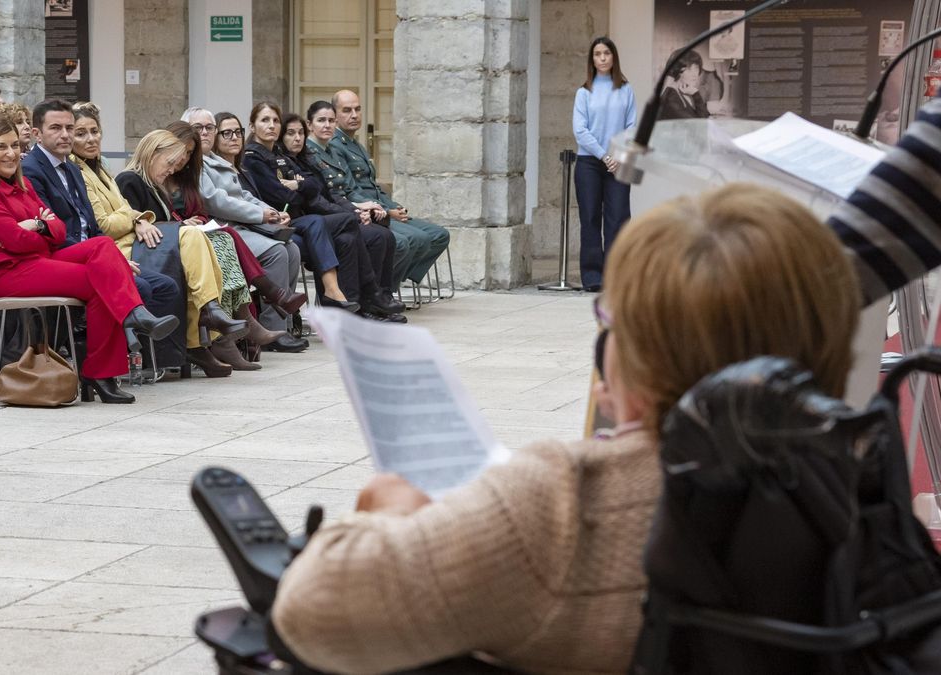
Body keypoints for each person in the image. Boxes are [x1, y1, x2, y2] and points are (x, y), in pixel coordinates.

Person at [273, 182, 862, 673]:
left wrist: (388, 505)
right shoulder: (859, 495)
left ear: (633, 352)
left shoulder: (565, 502)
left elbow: (313, 611)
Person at [0, 115, 177, 403]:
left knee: (101, 245)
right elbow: (15, 240)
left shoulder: (23, 185)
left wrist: (36, 227)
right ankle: (102, 370)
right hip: (7, 273)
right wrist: (40, 228)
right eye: (1, 147)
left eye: (15, 145)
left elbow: (59, 229)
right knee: (100, 282)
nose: (11, 153)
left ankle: (131, 320)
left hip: (37, 260)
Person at [116, 129, 258, 377]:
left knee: (214, 241)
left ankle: (205, 327)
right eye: (169, 163)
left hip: (159, 248)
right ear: (151, 154)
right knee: (198, 238)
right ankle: (211, 314)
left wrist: (179, 225)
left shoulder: (157, 186)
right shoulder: (130, 180)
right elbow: (132, 225)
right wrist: (170, 225)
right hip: (140, 250)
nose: (172, 170)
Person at [70, 102, 186, 375]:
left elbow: (124, 208)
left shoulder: (99, 167)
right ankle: (129, 354)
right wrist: (134, 218)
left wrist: (135, 216)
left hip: (118, 246)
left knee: (169, 284)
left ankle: (156, 354)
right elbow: (105, 224)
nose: (91, 138)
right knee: (147, 284)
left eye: (95, 131)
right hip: (108, 250)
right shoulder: (79, 171)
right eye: (81, 133)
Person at [183, 106, 309, 353]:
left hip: (240, 224)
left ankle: (282, 323)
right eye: (199, 128)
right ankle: (271, 328)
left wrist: (271, 212)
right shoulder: (195, 164)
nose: (205, 133)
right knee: (276, 252)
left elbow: (244, 196)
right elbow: (215, 200)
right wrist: (260, 214)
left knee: (291, 249)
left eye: (210, 128)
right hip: (220, 228)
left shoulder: (216, 161)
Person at [243, 102, 383, 316]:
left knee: (346, 238)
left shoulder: (279, 153)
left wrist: (298, 185)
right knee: (345, 221)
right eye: (265, 120)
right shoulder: (253, 157)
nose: (271, 125)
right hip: (278, 224)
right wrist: (299, 189)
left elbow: (314, 184)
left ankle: (347, 305)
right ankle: (355, 295)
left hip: (298, 220)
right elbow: (282, 195)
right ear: (252, 127)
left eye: (275, 121)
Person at [281, 109, 404, 323]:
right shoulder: (282, 161)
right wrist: (352, 215)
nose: (297, 138)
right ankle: (364, 300)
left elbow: (329, 194)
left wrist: (354, 211)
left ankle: (372, 302)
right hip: (310, 222)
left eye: (299, 133)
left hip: (326, 219)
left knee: (381, 236)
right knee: (350, 232)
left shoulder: (305, 159)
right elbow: (312, 201)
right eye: (291, 133)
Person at [330, 88, 450, 288]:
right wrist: (387, 212)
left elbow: (373, 186)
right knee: (413, 239)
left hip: (381, 207)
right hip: (369, 212)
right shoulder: (336, 145)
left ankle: (389, 283)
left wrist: (395, 207)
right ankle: (380, 291)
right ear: (334, 115)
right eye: (347, 110)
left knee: (439, 235)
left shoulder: (356, 144)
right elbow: (353, 191)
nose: (354, 115)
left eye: (358, 109)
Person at [572, 36, 637, 293]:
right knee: (590, 218)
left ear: (613, 57)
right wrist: (604, 156)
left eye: (606, 53)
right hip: (590, 161)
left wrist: (619, 155)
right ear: (592, 59)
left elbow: (632, 126)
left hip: (620, 161)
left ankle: (617, 275)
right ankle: (592, 277)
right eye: (597, 54)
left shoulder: (625, 89)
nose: (602, 58)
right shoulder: (583, 92)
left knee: (619, 218)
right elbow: (580, 130)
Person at [21, 99, 101, 247]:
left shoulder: (73, 168)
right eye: (56, 128)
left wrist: (108, 251)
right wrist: (94, 254)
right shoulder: (29, 170)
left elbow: (92, 224)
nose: (65, 135)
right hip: (65, 254)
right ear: (37, 134)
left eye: (70, 128)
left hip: (92, 248)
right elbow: (50, 229)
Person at [657, 49, 710, 120]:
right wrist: (696, 95)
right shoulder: (670, 98)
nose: (695, 74)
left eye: (696, 68)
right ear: (677, 70)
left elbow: (703, 117)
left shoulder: (677, 92)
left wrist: (695, 94)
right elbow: (699, 123)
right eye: (689, 69)